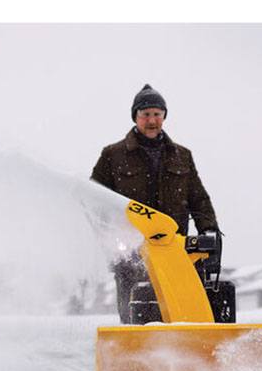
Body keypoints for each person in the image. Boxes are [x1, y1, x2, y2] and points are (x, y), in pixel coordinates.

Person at [91, 83, 220, 322]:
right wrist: (110, 240)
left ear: (164, 117)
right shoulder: (113, 155)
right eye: (145, 114)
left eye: (157, 114)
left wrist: (210, 232)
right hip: (132, 252)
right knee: (135, 314)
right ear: (135, 117)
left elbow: (198, 199)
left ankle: (183, 355)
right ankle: (135, 355)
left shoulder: (182, 156)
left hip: (174, 250)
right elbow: (94, 201)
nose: (152, 120)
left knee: (178, 312)